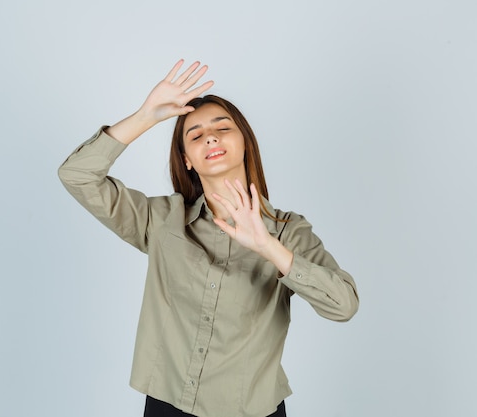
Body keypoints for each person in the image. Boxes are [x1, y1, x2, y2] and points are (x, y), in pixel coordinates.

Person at [58, 60, 359, 417]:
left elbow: (344, 306)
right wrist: (145, 116)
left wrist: (268, 246)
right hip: (167, 404)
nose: (211, 138)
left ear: (245, 141)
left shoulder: (288, 230)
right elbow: (77, 176)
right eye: (195, 135)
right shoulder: (161, 220)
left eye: (222, 128)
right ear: (186, 159)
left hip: (250, 410)